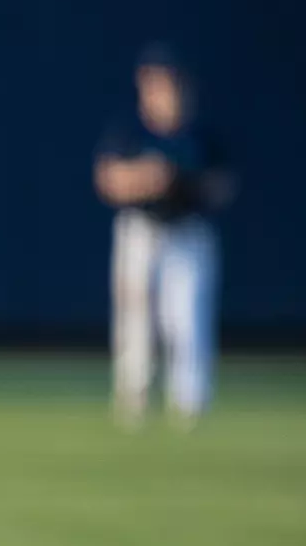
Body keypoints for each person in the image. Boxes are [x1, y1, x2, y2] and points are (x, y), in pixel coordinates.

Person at [94, 44, 235, 427]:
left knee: (186, 319)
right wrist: (147, 177)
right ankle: (133, 399)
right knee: (135, 318)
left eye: (170, 84)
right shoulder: (129, 131)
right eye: (155, 84)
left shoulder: (198, 136)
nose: (164, 93)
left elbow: (222, 185)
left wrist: (181, 181)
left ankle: (190, 403)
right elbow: (107, 179)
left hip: (187, 233)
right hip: (141, 231)